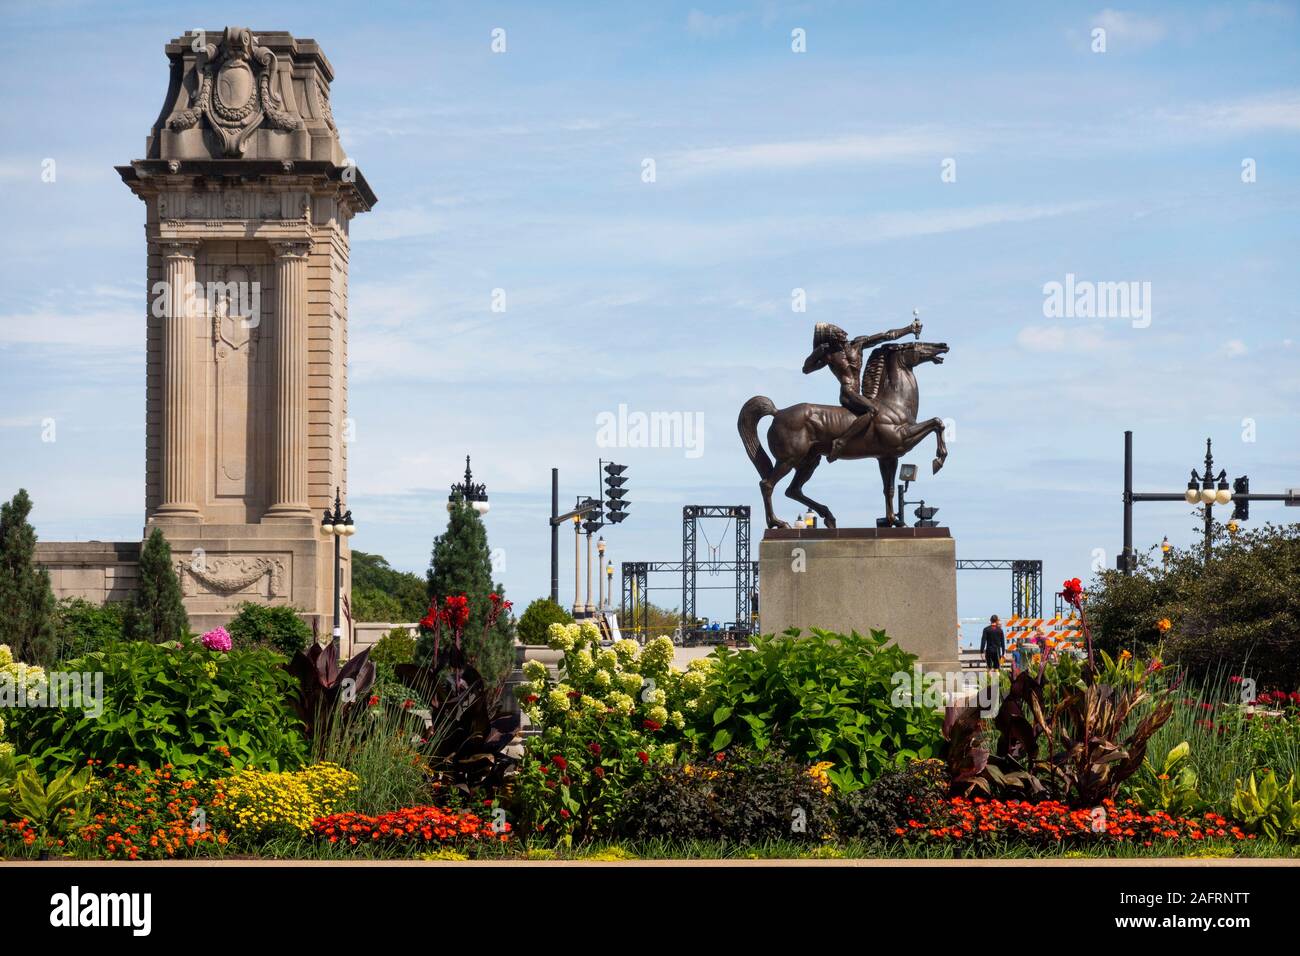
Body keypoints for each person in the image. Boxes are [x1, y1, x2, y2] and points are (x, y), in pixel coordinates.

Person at [801, 316, 921, 462]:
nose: (840, 331)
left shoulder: (858, 344)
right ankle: (841, 441)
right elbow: (806, 369)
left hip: (858, 394)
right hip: (848, 393)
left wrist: (909, 329)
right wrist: (816, 353)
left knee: (875, 409)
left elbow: (886, 336)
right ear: (831, 337)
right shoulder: (829, 354)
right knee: (873, 410)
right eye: (834, 330)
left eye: (836, 328)